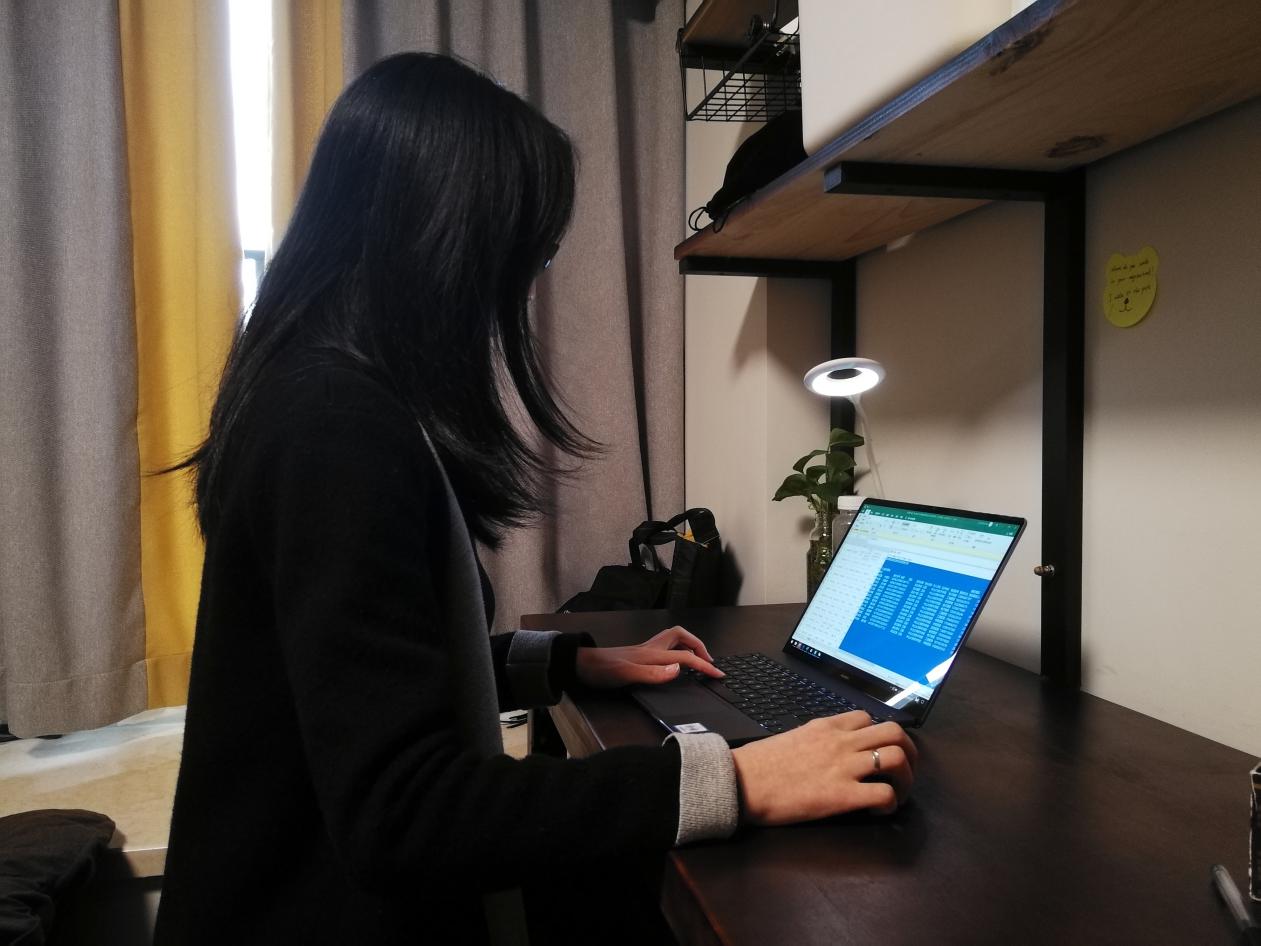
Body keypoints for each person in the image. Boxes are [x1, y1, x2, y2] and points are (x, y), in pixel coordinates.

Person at [153, 52, 917, 945]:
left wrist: (563, 664)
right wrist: (740, 779)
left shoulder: (314, 394)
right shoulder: (335, 425)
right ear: (448, 240)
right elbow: (405, 812)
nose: (527, 282)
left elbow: (368, 662)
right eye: (533, 251)